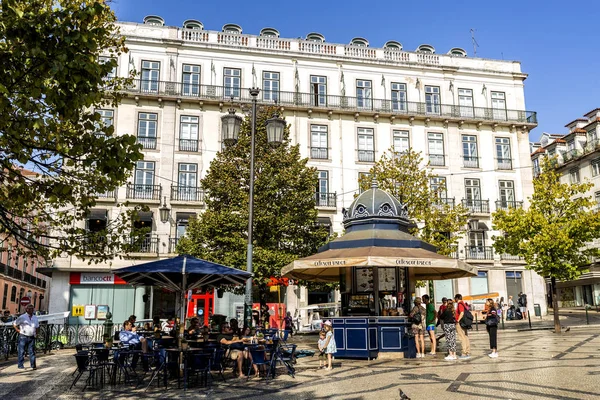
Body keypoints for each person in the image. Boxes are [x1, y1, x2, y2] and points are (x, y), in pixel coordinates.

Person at [13, 304, 39, 370]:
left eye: (32, 308)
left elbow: (37, 327)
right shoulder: (22, 317)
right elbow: (14, 324)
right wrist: (18, 331)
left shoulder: (35, 317)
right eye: (30, 308)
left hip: (32, 336)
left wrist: (36, 334)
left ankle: (33, 366)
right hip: (23, 336)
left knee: (32, 351)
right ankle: (20, 365)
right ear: (26, 309)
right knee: (21, 351)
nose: (31, 310)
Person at [454, 294, 471, 359]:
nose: (454, 299)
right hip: (464, 323)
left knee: (462, 337)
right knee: (465, 336)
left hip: (460, 323)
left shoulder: (460, 304)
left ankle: (464, 352)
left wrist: (458, 320)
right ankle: (468, 351)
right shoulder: (463, 304)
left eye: (455, 298)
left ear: (457, 298)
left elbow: (462, 313)